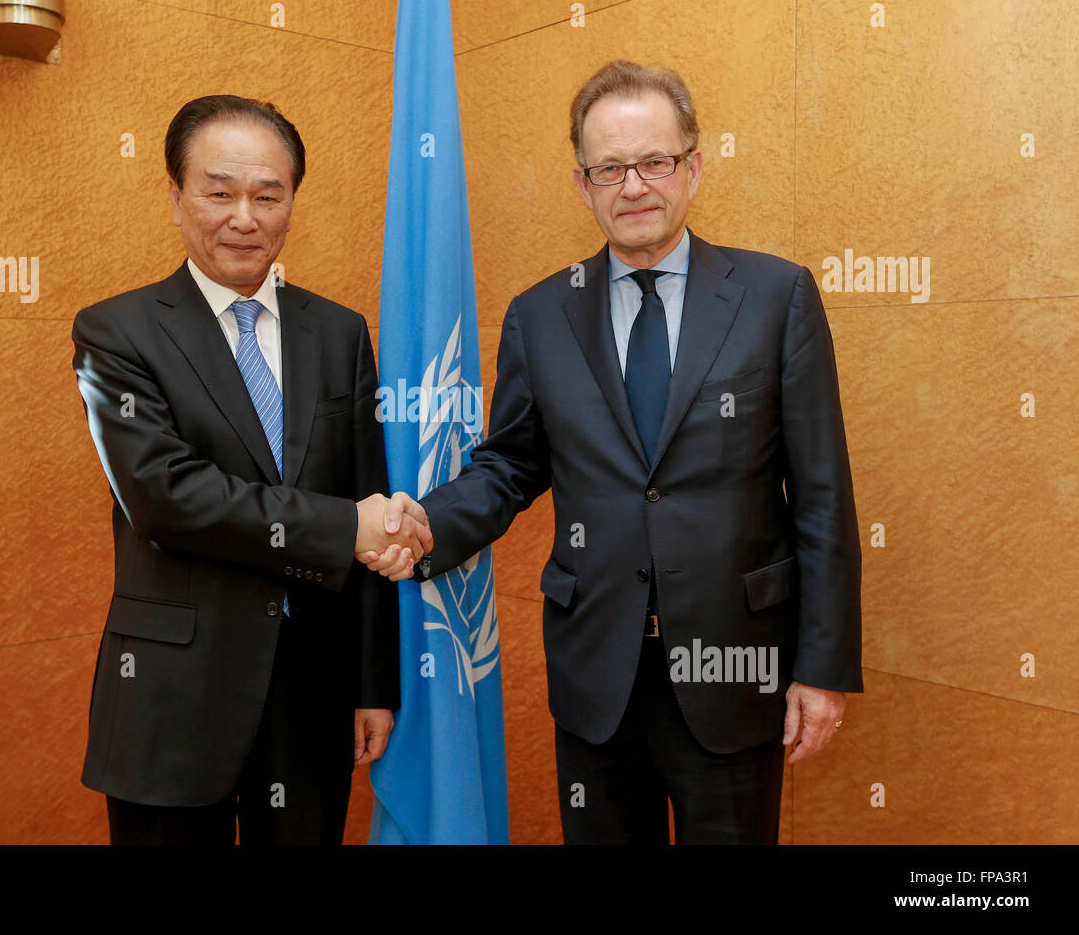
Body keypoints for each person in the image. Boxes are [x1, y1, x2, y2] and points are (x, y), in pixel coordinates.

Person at [361, 61, 863, 844]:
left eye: (654, 162)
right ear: (582, 182)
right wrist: (423, 522)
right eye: (609, 169)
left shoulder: (776, 297)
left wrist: (823, 666)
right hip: (597, 675)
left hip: (734, 670)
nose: (633, 186)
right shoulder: (540, 313)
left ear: (693, 167)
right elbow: (510, 465)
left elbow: (824, 496)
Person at [71, 94, 431, 844]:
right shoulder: (115, 333)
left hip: (309, 697)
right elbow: (168, 498)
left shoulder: (338, 332)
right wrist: (349, 526)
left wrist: (372, 685)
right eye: (220, 190)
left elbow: (362, 491)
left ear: (292, 202)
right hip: (172, 700)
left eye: (268, 195)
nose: (245, 216)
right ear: (175, 197)